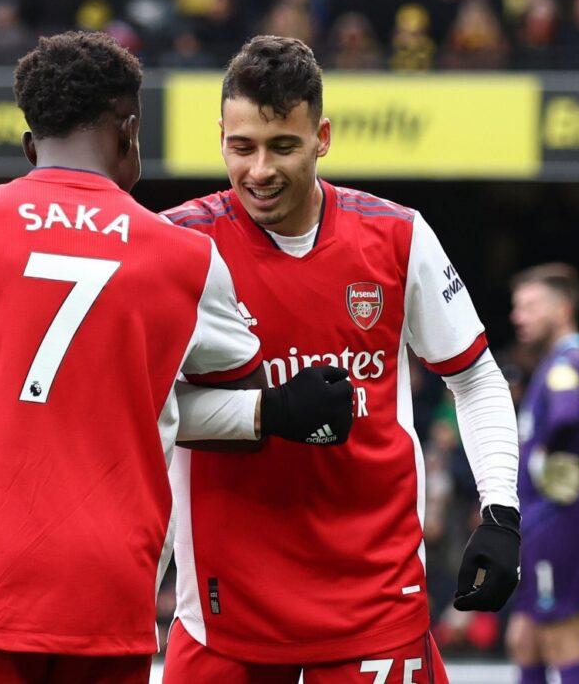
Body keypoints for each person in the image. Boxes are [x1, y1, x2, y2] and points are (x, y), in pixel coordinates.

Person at [0, 31, 353, 684]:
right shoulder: (185, 260)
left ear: (30, 146)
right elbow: (241, 413)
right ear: (129, 132)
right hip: (108, 593)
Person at [157, 35, 522, 683]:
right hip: (227, 607)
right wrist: (266, 412)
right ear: (220, 136)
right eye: (241, 147)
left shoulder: (396, 234)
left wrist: (499, 512)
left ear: (322, 136)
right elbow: (139, 408)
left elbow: (475, 378)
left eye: (283, 146)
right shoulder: (178, 246)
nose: (259, 170)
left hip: (373, 597)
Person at [507, 263, 579, 684]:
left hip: (560, 518)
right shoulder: (549, 364)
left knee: (560, 633)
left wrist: (548, 457)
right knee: (523, 637)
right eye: (517, 307)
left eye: (529, 306)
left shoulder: (570, 362)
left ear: (562, 309)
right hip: (538, 518)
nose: (518, 316)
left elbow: (568, 413)